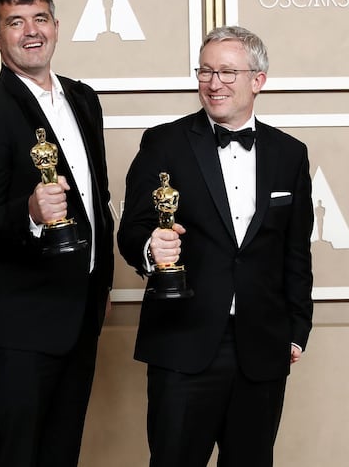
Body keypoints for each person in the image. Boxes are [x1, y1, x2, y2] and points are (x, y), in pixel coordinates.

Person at [117, 26, 314, 467]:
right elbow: (132, 229)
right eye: (205, 70)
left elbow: (296, 251)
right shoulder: (164, 142)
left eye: (227, 71)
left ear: (258, 80)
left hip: (262, 347)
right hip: (183, 340)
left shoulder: (290, 153)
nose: (213, 82)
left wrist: (298, 329)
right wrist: (152, 248)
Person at [0, 0, 114, 467]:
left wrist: (100, 285)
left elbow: (97, 199)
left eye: (39, 18)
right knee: (15, 455)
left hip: (79, 313)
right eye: (14, 22)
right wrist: (28, 213)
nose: (30, 31)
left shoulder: (84, 100)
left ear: (57, 26)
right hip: (16, 327)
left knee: (60, 452)